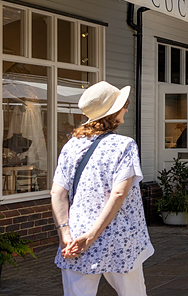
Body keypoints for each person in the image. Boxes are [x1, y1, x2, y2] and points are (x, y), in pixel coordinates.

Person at [50, 81, 152, 296]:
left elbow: (58, 193)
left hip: (76, 237)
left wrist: (65, 234)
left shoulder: (71, 145)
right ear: (113, 113)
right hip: (120, 236)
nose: (126, 108)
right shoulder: (124, 145)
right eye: (124, 105)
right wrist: (93, 235)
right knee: (132, 292)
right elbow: (118, 193)